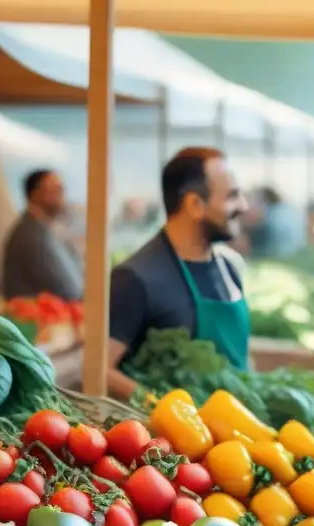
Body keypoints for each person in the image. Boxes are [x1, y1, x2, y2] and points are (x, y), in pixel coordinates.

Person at [107, 147, 250, 400]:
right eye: (232, 196)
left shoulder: (229, 267)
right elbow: (100, 369)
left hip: (238, 429)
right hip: (176, 436)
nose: (244, 206)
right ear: (195, 204)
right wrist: (162, 407)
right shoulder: (135, 278)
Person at [2, 169, 84, 300]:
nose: (63, 195)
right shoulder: (31, 236)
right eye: (57, 189)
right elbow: (67, 291)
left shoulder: (40, 230)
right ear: (36, 194)